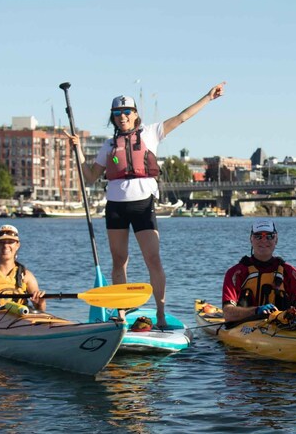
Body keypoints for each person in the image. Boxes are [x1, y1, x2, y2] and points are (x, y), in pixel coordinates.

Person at [66, 82, 225, 327]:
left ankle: (160, 314)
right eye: (117, 114)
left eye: (127, 112)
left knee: (153, 258)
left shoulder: (151, 133)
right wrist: (76, 150)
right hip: (116, 207)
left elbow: (183, 117)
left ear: (136, 114)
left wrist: (208, 97)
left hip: (143, 204)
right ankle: (120, 313)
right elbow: (89, 176)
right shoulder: (109, 146)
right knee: (119, 261)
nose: (122, 117)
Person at [221, 220, 296, 324]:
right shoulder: (235, 273)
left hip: (283, 327)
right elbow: (228, 314)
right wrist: (256, 310)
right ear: (251, 239)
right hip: (244, 327)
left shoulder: (291, 273)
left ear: (276, 239)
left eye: (269, 236)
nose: (264, 240)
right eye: (258, 236)